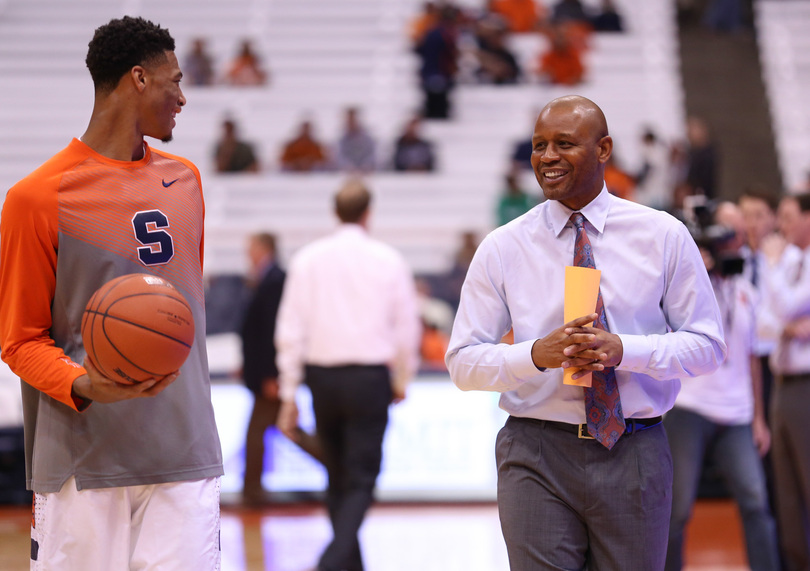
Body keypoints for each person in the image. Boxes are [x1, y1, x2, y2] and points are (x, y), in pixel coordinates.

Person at [445, 95, 726, 570]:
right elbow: (463, 363)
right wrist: (537, 354)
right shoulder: (503, 246)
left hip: (635, 448)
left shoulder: (662, 234)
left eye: (564, 143)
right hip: (535, 451)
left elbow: (707, 347)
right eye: (538, 145)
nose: (547, 156)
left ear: (604, 149)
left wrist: (625, 351)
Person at [0, 16, 223, 570]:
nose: (183, 98)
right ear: (139, 78)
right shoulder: (35, 198)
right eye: (175, 81)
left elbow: (178, 318)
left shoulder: (187, 182)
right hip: (83, 461)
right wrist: (87, 382)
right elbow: (19, 341)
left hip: (184, 450)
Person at [275, 180, 421, 571]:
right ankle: (331, 561)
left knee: (338, 475)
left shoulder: (308, 260)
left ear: (334, 212)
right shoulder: (388, 260)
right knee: (360, 478)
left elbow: (290, 330)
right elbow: (406, 328)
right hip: (369, 379)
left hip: (322, 378)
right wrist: (402, 378)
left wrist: (290, 393)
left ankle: (347, 564)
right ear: (368, 214)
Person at [664, 214, 779, 571]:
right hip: (690, 407)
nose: (732, 245)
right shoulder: (692, 285)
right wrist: (699, 265)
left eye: (738, 237)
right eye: (725, 237)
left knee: (756, 500)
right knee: (677, 508)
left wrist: (759, 419)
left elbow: (753, 361)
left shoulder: (747, 290)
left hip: (738, 414)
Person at [239, 233, 322, 504]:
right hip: (267, 374)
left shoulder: (274, 280)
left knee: (267, 431)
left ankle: (251, 491)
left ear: (264, 248)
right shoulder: (265, 278)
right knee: (287, 428)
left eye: (251, 246)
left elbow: (274, 333)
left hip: (270, 376)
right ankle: (339, 467)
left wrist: (272, 375)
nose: (247, 251)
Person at [760, 192, 810, 571]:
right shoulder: (794, 261)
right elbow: (767, 322)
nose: (783, 225)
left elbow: (786, 307)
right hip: (781, 381)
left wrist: (773, 265)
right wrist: (788, 327)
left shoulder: (785, 262)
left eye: (790, 216)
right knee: (787, 492)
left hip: (805, 385)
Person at [334, 107, 376, 173]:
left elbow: (372, 154)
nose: (351, 122)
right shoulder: (341, 139)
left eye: (353, 120)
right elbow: (340, 156)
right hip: (347, 172)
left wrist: (366, 165)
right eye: (349, 120)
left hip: (366, 172)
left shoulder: (367, 138)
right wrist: (348, 166)